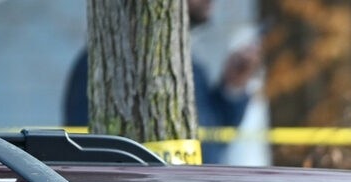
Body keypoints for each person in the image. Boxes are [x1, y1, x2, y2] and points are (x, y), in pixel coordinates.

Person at [62, 0, 258, 164]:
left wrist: (233, 85)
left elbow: (214, 139)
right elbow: (88, 149)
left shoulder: (193, 66)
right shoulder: (103, 64)